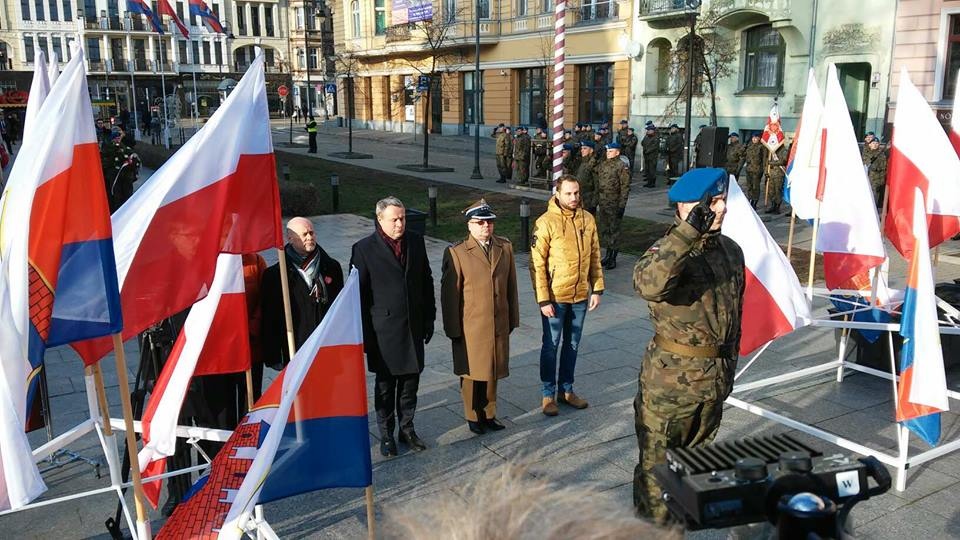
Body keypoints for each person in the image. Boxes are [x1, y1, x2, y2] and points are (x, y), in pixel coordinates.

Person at [632, 167, 744, 524]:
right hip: (671, 391)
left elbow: (732, 319)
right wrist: (687, 232)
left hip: (713, 384)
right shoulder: (668, 252)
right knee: (658, 478)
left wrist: (727, 372)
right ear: (685, 208)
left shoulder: (730, 250)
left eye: (723, 200)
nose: (722, 208)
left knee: (693, 471)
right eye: (713, 202)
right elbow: (649, 284)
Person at [351, 197, 436, 456]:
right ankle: (386, 434)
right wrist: (364, 335)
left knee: (411, 383)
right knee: (386, 386)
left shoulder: (415, 241)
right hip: (383, 331)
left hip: (412, 326)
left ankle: (407, 429)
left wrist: (429, 317)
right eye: (394, 219)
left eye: (403, 218)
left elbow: (426, 281)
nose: (400, 224)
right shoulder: (363, 249)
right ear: (380, 219)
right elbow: (358, 295)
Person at [440, 200, 519, 435]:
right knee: (473, 372)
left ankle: (490, 413)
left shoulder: (504, 248)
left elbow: (511, 287)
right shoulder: (457, 252)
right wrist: (453, 329)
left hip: (497, 322)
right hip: (471, 325)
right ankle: (473, 415)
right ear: (470, 225)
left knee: (493, 370)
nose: (486, 227)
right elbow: (449, 296)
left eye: (489, 222)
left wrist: (513, 318)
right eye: (480, 222)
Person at [529, 175, 604, 416]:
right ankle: (547, 394)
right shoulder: (545, 222)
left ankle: (567, 390)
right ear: (558, 194)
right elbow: (537, 264)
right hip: (555, 298)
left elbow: (594, 255)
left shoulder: (587, 219)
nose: (574, 198)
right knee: (550, 346)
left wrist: (597, 288)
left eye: (577, 193)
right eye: (569, 193)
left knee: (572, 344)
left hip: (580, 295)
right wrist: (543, 299)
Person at [260, 217, 344, 371]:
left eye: (311, 233)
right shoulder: (276, 275)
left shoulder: (331, 267)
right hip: (296, 348)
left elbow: (340, 308)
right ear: (290, 239)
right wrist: (273, 356)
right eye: (304, 234)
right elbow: (270, 318)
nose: (310, 237)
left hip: (326, 345)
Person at [596, 142, 631, 270]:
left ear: (617, 152)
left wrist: (622, 205)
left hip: (614, 203)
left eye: (610, 151)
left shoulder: (622, 166)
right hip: (603, 202)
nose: (608, 153)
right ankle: (608, 255)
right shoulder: (604, 164)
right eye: (607, 151)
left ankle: (613, 258)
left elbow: (625, 187)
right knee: (605, 230)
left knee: (614, 231)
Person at [101, 126, 141, 212]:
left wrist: (131, 164)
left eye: (119, 137)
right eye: (116, 138)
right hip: (114, 178)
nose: (118, 139)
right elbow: (105, 163)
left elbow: (133, 158)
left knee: (127, 197)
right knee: (117, 198)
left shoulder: (125, 148)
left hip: (126, 178)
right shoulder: (107, 148)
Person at [575, 140, 599, 215]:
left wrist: (594, 201)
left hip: (589, 198)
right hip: (580, 196)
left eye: (585, 148)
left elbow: (597, 183)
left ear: (591, 150)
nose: (582, 150)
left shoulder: (593, 163)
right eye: (581, 148)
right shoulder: (583, 162)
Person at [743, 134, 766, 208]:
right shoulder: (749, 146)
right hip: (749, 169)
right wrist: (744, 145)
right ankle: (750, 199)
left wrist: (763, 170)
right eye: (753, 137)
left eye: (756, 138)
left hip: (757, 170)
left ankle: (755, 202)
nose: (754, 139)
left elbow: (764, 159)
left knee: (755, 187)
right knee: (749, 186)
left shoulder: (762, 147)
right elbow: (743, 154)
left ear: (759, 138)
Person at [764, 142, 788, 214]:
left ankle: (777, 207)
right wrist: (766, 172)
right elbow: (767, 163)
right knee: (771, 191)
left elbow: (783, 161)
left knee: (778, 190)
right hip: (771, 173)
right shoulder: (771, 151)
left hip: (779, 174)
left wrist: (772, 163)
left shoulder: (784, 150)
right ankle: (773, 205)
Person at [865, 137, 887, 208]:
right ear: (870, 144)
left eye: (877, 143)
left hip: (876, 180)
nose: (875, 145)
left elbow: (883, 167)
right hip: (866, 179)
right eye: (873, 143)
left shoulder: (881, 154)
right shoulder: (866, 153)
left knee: (874, 200)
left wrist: (876, 167)